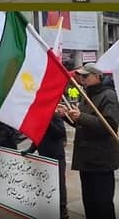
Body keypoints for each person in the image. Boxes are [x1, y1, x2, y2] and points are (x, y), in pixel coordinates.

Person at [60, 63, 119, 219]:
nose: (82, 79)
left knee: (102, 204)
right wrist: (67, 115)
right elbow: (81, 122)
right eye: (81, 76)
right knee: (90, 202)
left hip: (101, 160)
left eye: (86, 76)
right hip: (87, 159)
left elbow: (110, 126)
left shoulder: (108, 95)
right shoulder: (87, 94)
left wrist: (81, 117)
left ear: (97, 76)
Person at [22, 112, 69, 219]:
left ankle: (63, 211)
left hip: (56, 156)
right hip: (44, 156)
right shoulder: (38, 118)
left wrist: (47, 121)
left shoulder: (54, 115)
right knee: (48, 184)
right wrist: (30, 150)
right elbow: (37, 137)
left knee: (59, 184)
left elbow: (60, 133)